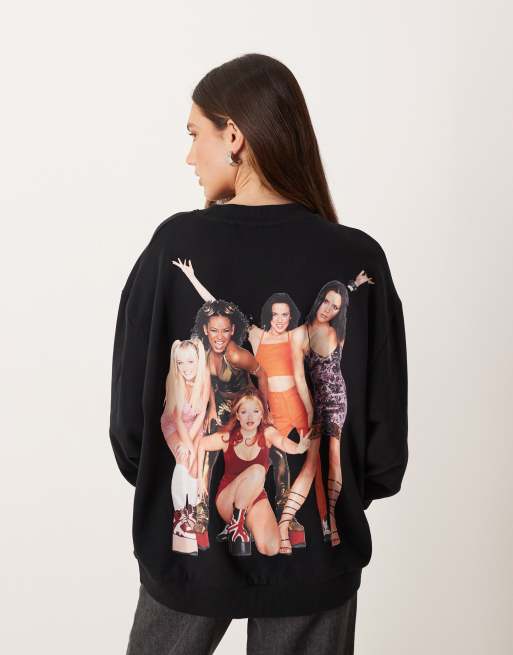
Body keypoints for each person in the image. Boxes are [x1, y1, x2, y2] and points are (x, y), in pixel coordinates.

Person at [110, 53, 408, 655]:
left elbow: (130, 423)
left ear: (234, 136)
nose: (189, 156)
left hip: (187, 555)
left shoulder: (173, 244)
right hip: (316, 562)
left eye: (195, 133)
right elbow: (382, 446)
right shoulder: (358, 255)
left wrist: (172, 476)